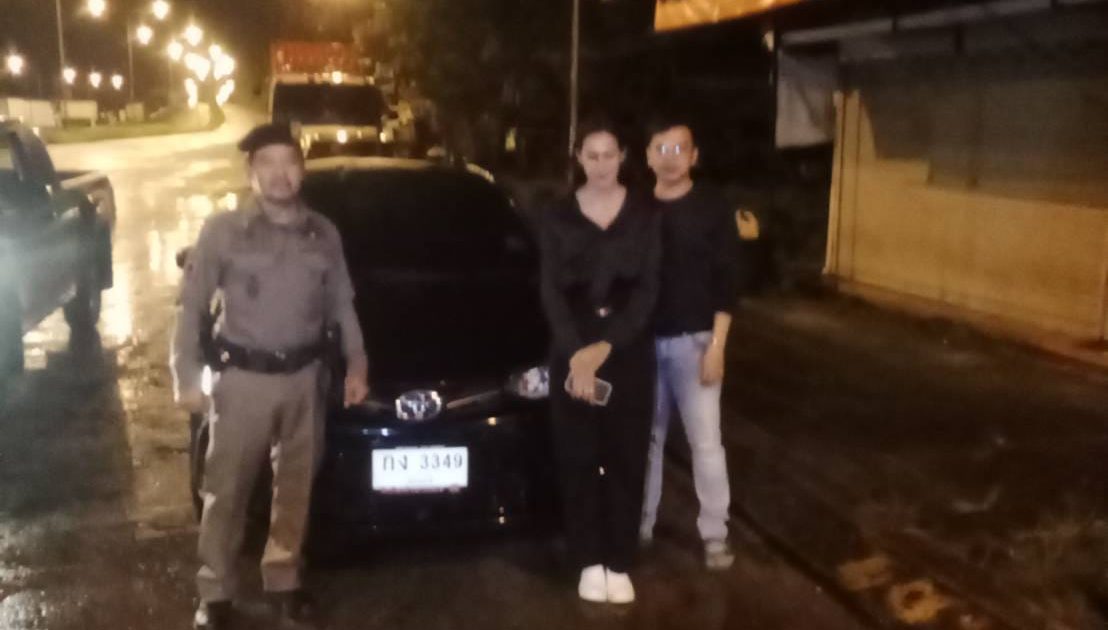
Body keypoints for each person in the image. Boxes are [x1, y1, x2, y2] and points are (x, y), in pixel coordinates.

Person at [172, 123, 370, 630]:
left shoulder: (323, 233)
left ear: (301, 169)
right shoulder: (223, 231)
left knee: (296, 489)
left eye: (289, 163)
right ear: (251, 172)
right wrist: (185, 375)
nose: (280, 174)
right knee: (227, 491)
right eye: (268, 163)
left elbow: (342, 303)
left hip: (306, 378)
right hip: (244, 381)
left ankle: (283, 579)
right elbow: (192, 306)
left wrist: (357, 364)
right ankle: (215, 591)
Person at [540, 119, 661, 604]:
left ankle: (619, 560)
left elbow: (649, 290)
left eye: (609, 154)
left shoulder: (646, 215)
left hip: (626, 348)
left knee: (627, 456)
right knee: (579, 457)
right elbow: (550, 290)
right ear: (578, 158)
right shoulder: (556, 215)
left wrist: (605, 347)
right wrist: (577, 352)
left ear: (623, 156)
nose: (601, 164)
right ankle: (588, 559)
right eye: (592, 155)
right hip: (572, 345)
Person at [639, 116, 740, 571]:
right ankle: (640, 525)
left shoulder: (713, 208)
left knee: (706, 445)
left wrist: (717, 345)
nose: (671, 157)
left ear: (694, 156)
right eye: (661, 148)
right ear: (648, 156)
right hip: (643, 345)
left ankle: (714, 535)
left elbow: (728, 280)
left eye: (680, 148)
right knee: (646, 441)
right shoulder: (637, 209)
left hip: (696, 343)